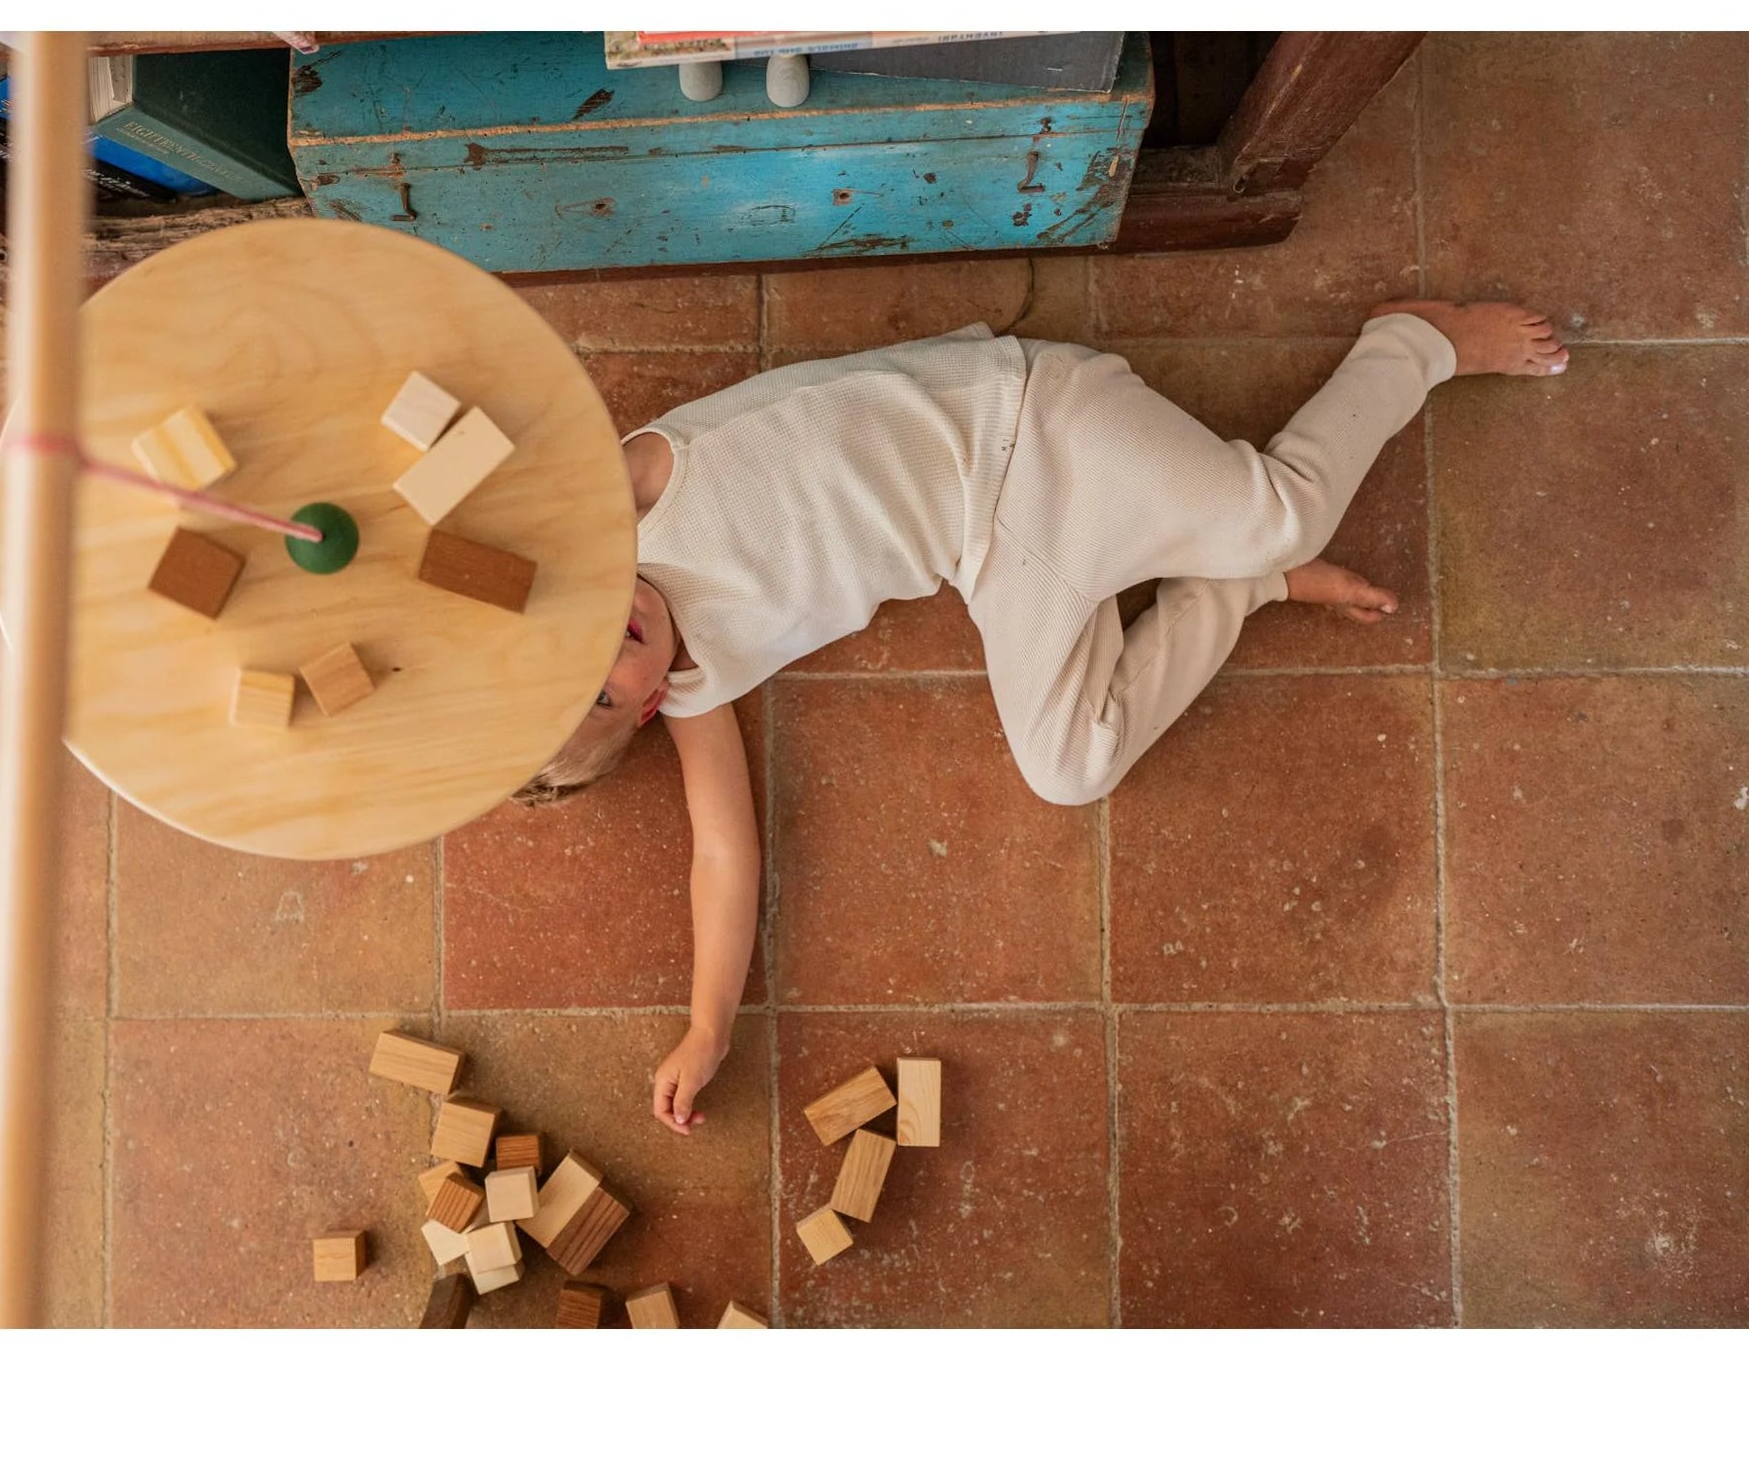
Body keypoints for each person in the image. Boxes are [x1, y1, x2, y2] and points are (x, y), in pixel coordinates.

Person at [512, 299, 1570, 1134]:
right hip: (992, 558)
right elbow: (722, 854)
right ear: (644, 710)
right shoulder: (692, 687)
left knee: (1282, 513)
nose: (603, 648)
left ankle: (1411, 343)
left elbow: (507, 511)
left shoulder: (620, 506)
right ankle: (1238, 590)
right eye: (600, 692)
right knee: (1069, 767)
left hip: (1020, 425)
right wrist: (707, 1027)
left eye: (566, 645)